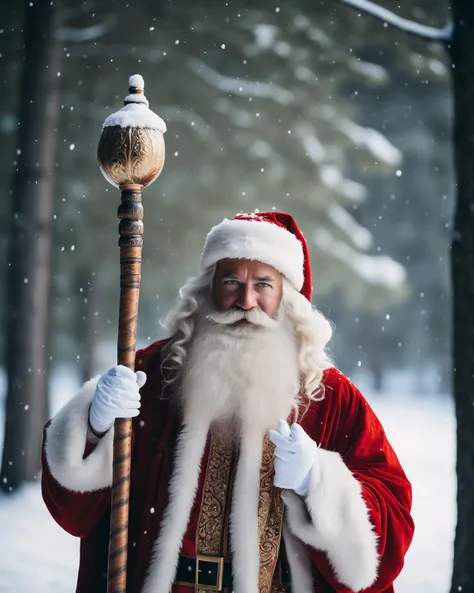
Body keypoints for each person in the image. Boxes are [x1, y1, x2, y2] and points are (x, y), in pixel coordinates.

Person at [41, 211, 414, 593]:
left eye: (263, 285)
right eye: (232, 281)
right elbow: (74, 511)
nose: (246, 300)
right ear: (209, 287)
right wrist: (94, 425)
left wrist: (316, 482)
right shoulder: (152, 375)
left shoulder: (329, 396)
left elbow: (391, 530)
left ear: (286, 296)